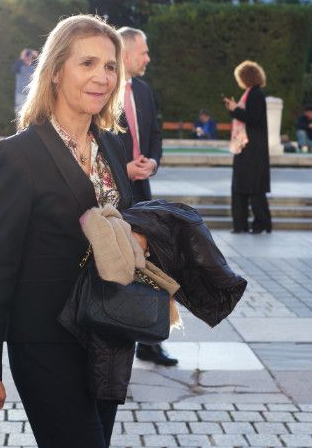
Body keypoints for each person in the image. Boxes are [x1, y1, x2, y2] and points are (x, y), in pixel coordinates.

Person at [0, 15, 136, 448]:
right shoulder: (18, 155)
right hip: (44, 340)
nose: (102, 76)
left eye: (111, 65)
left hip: (110, 336)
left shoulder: (114, 146)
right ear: (56, 71)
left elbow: (132, 222)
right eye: (88, 63)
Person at [116, 26, 177, 367]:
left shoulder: (143, 89)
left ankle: (150, 344)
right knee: (117, 266)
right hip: (111, 192)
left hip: (142, 189)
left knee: (150, 267)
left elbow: (153, 133)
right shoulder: (102, 89)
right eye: (143, 52)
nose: (148, 58)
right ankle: (113, 336)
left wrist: (152, 160)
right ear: (126, 54)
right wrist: (122, 168)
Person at [224, 60, 272, 234]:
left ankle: (258, 224)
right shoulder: (251, 94)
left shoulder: (255, 95)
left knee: (252, 187)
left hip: (252, 149)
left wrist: (235, 110)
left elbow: (253, 119)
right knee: (243, 187)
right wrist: (235, 109)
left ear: (245, 77)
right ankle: (243, 224)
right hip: (247, 148)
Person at [13, 48, 37, 114]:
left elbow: (41, 64)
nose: (28, 60)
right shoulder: (20, 67)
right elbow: (14, 68)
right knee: (19, 114)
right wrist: (22, 57)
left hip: (30, 95)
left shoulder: (33, 68)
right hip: (20, 94)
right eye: (27, 58)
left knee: (30, 114)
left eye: (30, 58)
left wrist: (35, 55)